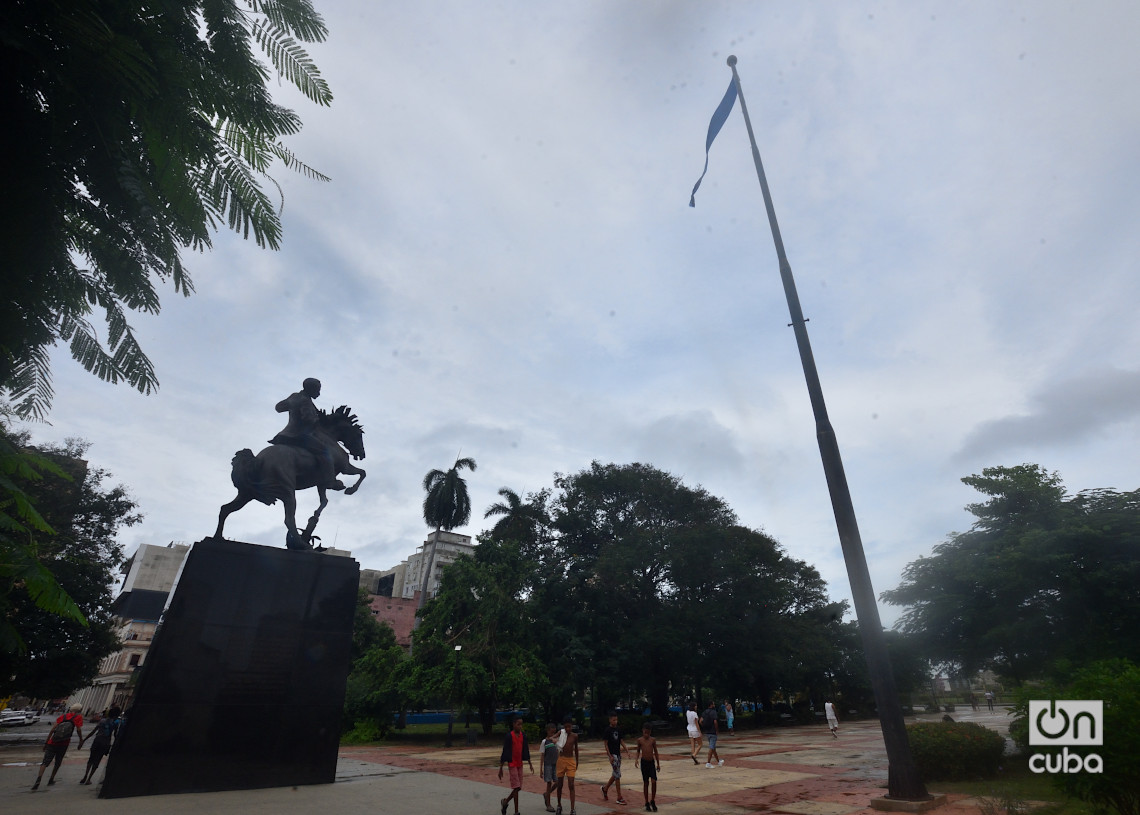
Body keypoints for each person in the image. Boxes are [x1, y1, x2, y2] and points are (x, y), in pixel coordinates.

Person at [270, 377, 343, 490]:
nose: (318, 393)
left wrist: (292, 405)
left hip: (284, 434)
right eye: (317, 390)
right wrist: (319, 421)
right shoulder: (306, 401)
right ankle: (330, 481)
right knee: (325, 451)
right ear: (311, 389)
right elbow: (308, 420)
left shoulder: (295, 396)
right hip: (300, 435)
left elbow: (278, 407)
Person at [32, 703, 84, 790]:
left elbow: (53, 729)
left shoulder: (63, 717)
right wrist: (81, 740)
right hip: (64, 743)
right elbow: (78, 730)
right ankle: (51, 779)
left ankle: (39, 778)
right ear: (79, 710)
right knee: (58, 762)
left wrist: (47, 742)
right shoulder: (78, 717)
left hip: (53, 742)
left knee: (45, 762)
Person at [498, 716, 534, 815]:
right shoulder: (509, 736)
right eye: (518, 724)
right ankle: (516, 811)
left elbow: (525, 750)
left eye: (521, 724)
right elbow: (505, 751)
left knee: (518, 788)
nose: (520, 726)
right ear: (514, 724)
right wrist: (501, 768)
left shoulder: (523, 736)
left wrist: (530, 763)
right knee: (516, 787)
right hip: (512, 763)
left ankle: (505, 802)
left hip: (519, 764)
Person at [79, 705, 121, 784]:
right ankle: (89, 778)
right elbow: (115, 734)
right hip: (105, 743)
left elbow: (93, 731)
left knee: (91, 759)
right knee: (97, 760)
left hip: (97, 741)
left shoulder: (102, 721)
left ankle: (85, 775)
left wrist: (83, 740)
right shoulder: (115, 723)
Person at [599, 711, 630, 805]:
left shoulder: (618, 729)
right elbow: (606, 744)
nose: (615, 721)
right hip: (613, 755)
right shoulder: (607, 730)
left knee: (616, 774)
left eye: (616, 720)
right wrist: (610, 755)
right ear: (610, 720)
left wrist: (627, 750)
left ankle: (605, 789)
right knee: (618, 774)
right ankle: (619, 797)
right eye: (613, 720)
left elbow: (621, 741)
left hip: (618, 754)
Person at [555, 715, 579, 815]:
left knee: (571, 784)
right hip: (561, 760)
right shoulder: (561, 733)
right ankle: (559, 805)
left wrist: (577, 761)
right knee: (559, 785)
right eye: (566, 727)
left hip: (570, 761)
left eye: (569, 727)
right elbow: (553, 737)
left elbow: (576, 749)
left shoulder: (574, 736)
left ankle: (572, 809)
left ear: (572, 726)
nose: (568, 729)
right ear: (563, 727)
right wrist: (553, 739)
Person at [634, 722, 661, 812]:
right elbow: (638, 751)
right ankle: (646, 802)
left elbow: (656, 752)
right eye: (645, 732)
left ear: (650, 732)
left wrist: (658, 763)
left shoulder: (652, 740)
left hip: (651, 763)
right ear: (643, 731)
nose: (646, 734)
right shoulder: (640, 740)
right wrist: (636, 759)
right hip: (644, 762)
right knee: (646, 782)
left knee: (654, 781)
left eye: (648, 733)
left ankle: (652, 800)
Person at [540, 723, 560, 813]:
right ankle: (548, 804)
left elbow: (559, 752)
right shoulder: (544, 742)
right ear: (548, 731)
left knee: (558, 782)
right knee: (549, 783)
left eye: (554, 732)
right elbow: (542, 755)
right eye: (551, 732)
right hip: (548, 764)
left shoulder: (556, 741)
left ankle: (547, 794)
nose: (552, 734)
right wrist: (540, 769)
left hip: (555, 764)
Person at [701, 702, 722, 767]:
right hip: (713, 732)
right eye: (713, 704)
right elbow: (715, 722)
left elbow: (700, 721)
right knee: (711, 747)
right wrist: (717, 730)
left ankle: (718, 761)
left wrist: (704, 727)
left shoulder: (704, 712)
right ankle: (708, 763)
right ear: (711, 705)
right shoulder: (713, 712)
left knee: (713, 747)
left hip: (707, 732)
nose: (714, 705)